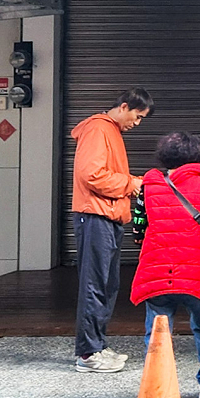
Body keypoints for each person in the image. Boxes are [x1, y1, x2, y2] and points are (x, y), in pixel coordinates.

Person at [130, 132, 200, 398]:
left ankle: (156, 387)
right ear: (196, 156)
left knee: (157, 329)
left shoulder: (148, 187)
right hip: (195, 270)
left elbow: (138, 229)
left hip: (156, 268)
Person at [72, 87, 153, 373]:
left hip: (108, 217)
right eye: (137, 116)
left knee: (107, 284)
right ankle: (88, 353)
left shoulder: (111, 132)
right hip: (95, 216)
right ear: (123, 106)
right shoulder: (98, 129)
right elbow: (92, 174)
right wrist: (132, 184)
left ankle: (98, 345)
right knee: (95, 285)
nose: (137, 123)